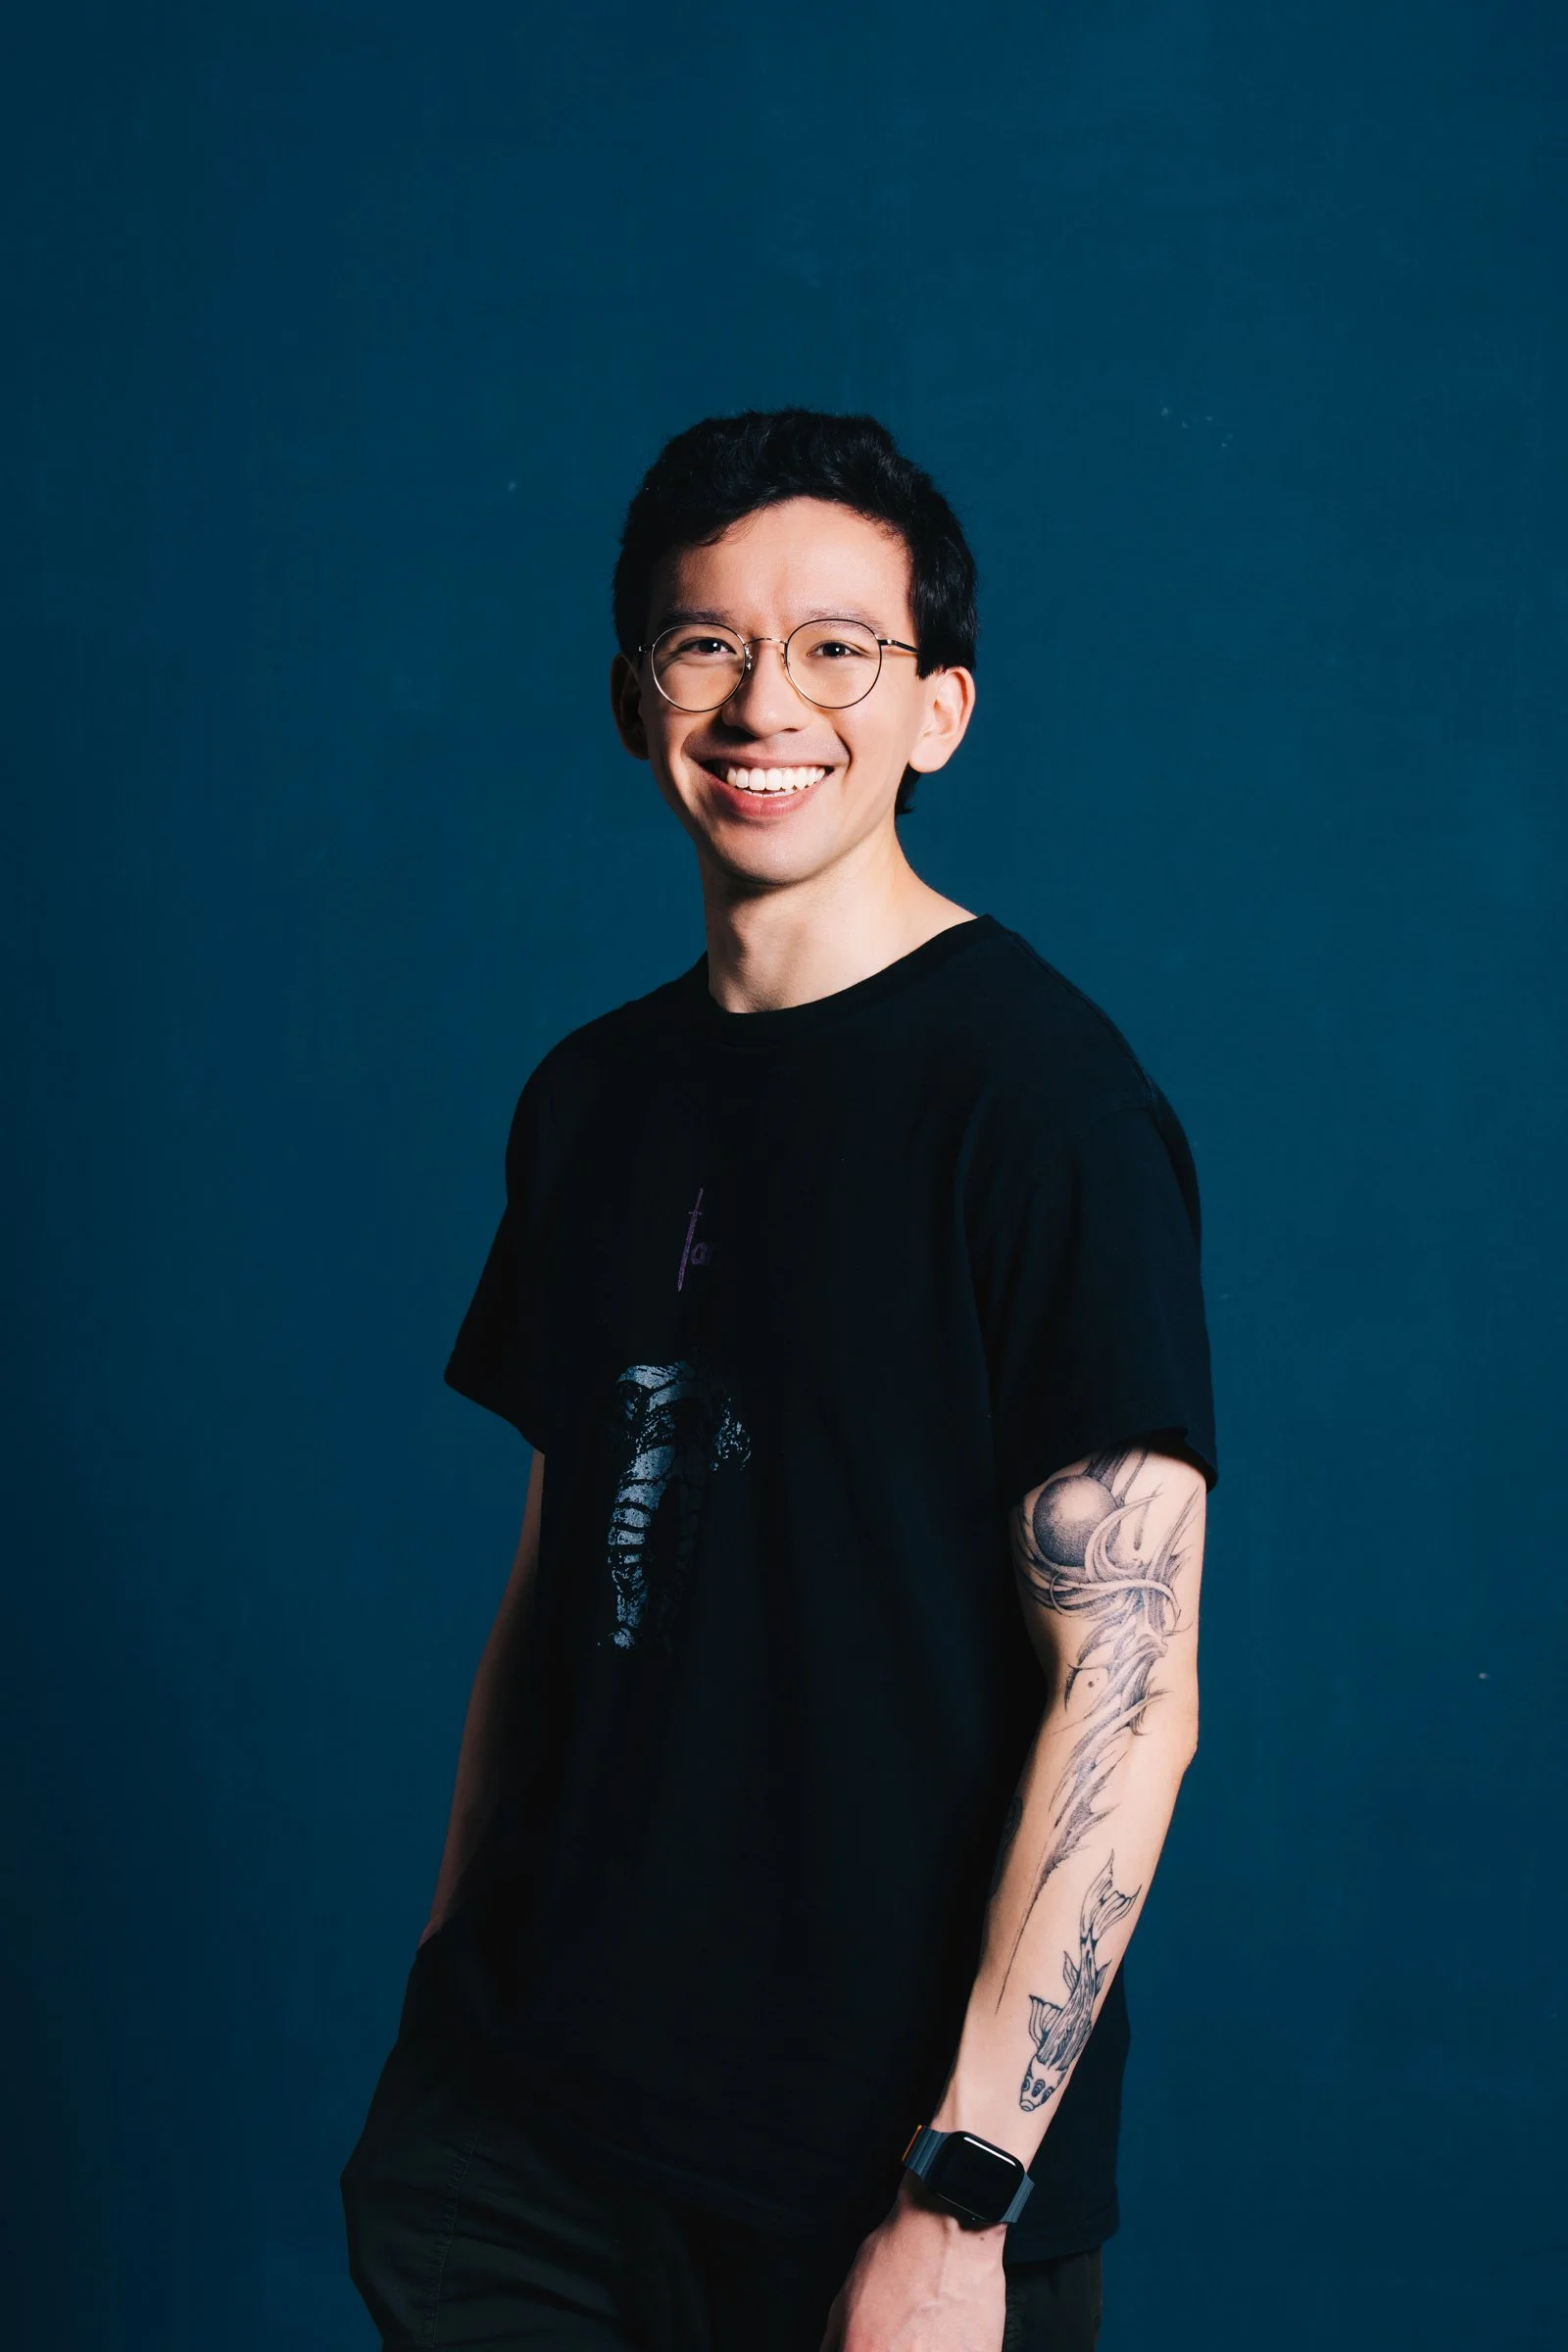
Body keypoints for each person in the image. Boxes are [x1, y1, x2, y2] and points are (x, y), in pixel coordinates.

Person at [341, 409, 1218, 2352]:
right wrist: (442, 1998)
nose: (764, 703)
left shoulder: (1040, 1108)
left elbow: (1126, 1687)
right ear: (631, 694)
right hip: (532, 2145)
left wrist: (960, 2200)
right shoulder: (592, 1098)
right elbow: (558, 1578)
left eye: (838, 647)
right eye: (704, 642)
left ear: (938, 713)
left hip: (865, 2188)